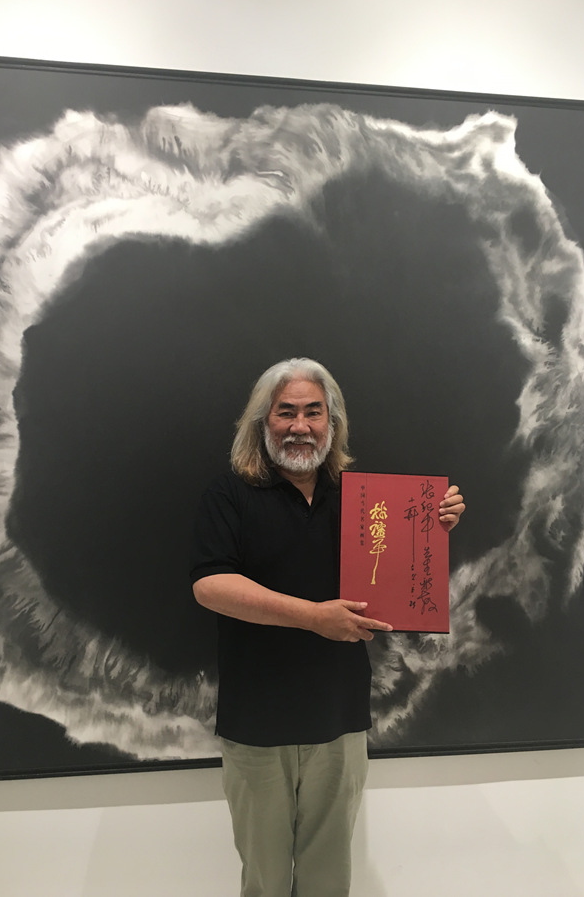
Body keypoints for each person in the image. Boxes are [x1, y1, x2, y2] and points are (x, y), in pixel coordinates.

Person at [190, 357, 465, 897]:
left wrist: (433, 524)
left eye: (314, 412)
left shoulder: (363, 499)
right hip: (257, 722)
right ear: (262, 422)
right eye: (286, 412)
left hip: (339, 719)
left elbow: (400, 571)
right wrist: (314, 618)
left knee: (328, 881)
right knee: (265, 882)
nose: (300, 426)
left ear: (332, 423)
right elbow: (210, 585)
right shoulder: (229, 495)